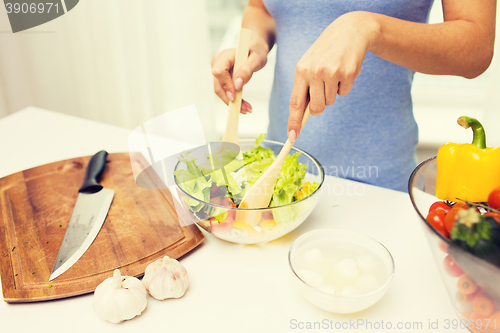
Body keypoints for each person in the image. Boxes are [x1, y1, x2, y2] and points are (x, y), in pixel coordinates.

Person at [210, 0, 496, 192]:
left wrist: (369, 27)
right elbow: (260, 8)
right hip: (277, 178)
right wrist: (256, 42)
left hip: (377, 187)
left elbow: (476, 45)